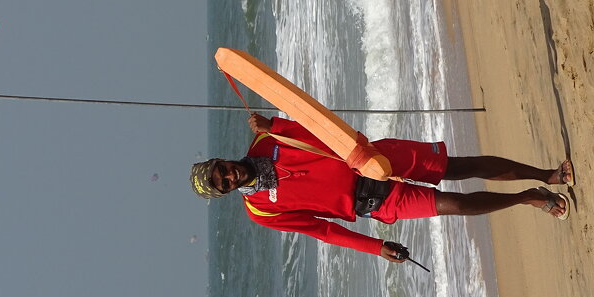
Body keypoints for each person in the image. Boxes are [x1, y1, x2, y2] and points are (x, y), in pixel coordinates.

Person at [190, 114, 573, 263]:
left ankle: (546, 174)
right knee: (452, 204)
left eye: (220, 170)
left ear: (221, 160)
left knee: (458, 167)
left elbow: (318, 127)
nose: (228, 177)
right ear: (225, 193)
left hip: (374, 158)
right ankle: (529, 198)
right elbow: (323, 230)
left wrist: (274, 123)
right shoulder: (262, 212)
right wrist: (375, 247)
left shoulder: (265, 143)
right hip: (373, 201)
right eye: (222, 185)